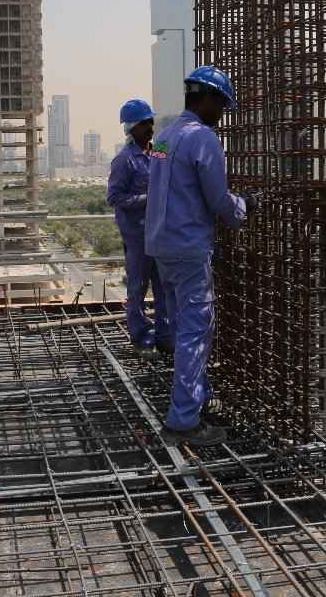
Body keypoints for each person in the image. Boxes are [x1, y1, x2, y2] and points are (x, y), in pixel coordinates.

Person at [145, 66, 259, 446]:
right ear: (207, 99)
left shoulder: (162, 137)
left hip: (161, 246)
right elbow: (218, 201)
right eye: (222, 105)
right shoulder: (203, 139)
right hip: (188, 249)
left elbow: (160, 183)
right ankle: (184, 421)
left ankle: (196, 398)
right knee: (196, 332)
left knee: (182, 327)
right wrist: (245, 207)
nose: (222, 114)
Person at [107, 98, 171, 357]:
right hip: (137, 235)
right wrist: (148, 199)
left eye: (151, 121)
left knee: (164, 285)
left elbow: (171, 174)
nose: (151, 127)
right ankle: (141, 338)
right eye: (145, 123)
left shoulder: (159, 150)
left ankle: (166, 336)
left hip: (160, 232)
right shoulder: (124, 160)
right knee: (138, 287)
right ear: (132, 128)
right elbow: (114, 197)